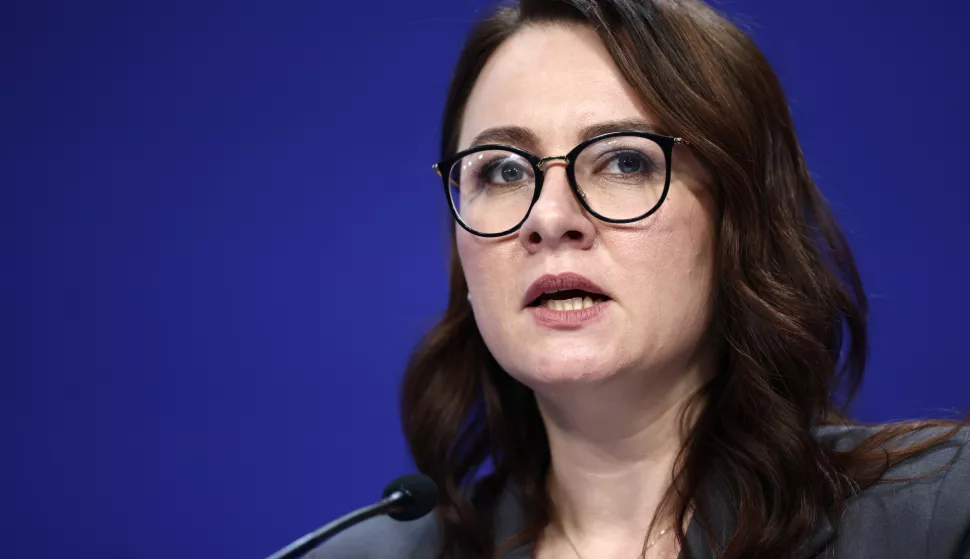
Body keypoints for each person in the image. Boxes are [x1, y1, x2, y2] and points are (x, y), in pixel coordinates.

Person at [309, 0, 969, 557]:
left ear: (737, 216)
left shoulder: (936, 520)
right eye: (503, 170)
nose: (549, 218)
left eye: (624, 161)